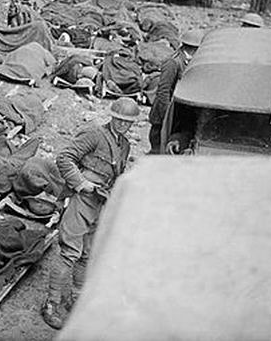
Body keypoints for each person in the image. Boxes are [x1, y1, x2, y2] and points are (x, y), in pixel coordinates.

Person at [41, 97, 138, 329]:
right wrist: (80, 183)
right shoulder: (94, 135)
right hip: (82, 199)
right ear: (112, 116)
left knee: (87, 254)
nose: (123, 124)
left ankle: (76, 297)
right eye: (120, 119)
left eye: (128, 122)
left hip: (100, 201)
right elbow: (64, 158)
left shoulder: (124, 145)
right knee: (70, 253)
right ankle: (51, 304)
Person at [147, 29, 204, 154]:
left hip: (178, 114)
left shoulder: (190, 62)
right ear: (194, 49)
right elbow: (163, 91)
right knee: (158, 149)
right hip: (164, 113)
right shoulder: (172, 62)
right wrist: (167, 118)